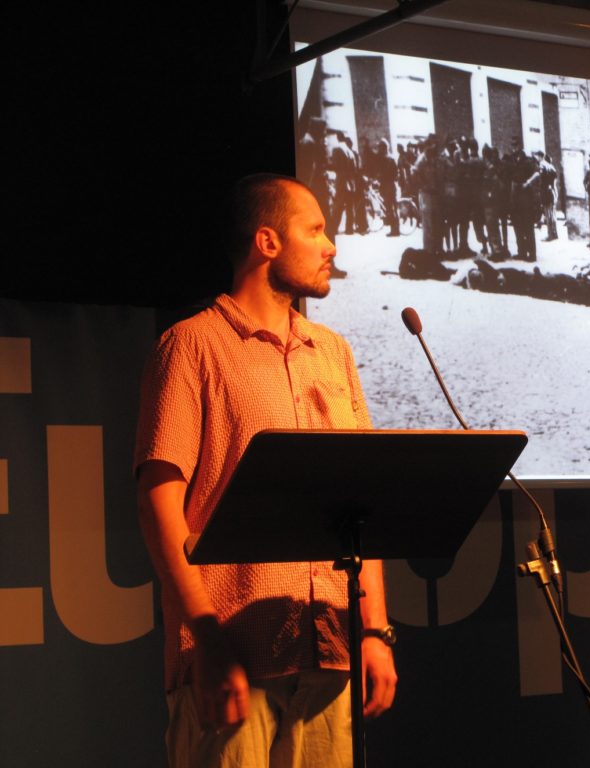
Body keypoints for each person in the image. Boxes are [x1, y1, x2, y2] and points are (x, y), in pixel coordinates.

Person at [135, 173, 397, 768]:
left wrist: (375, 631)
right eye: (317, 229)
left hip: (328, 652)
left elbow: (363, 501)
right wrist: (205, 639)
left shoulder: (333, 352)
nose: (331, 245)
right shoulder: (191, 346)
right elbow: (159, 502)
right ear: (268, 242)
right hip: (234, 654)